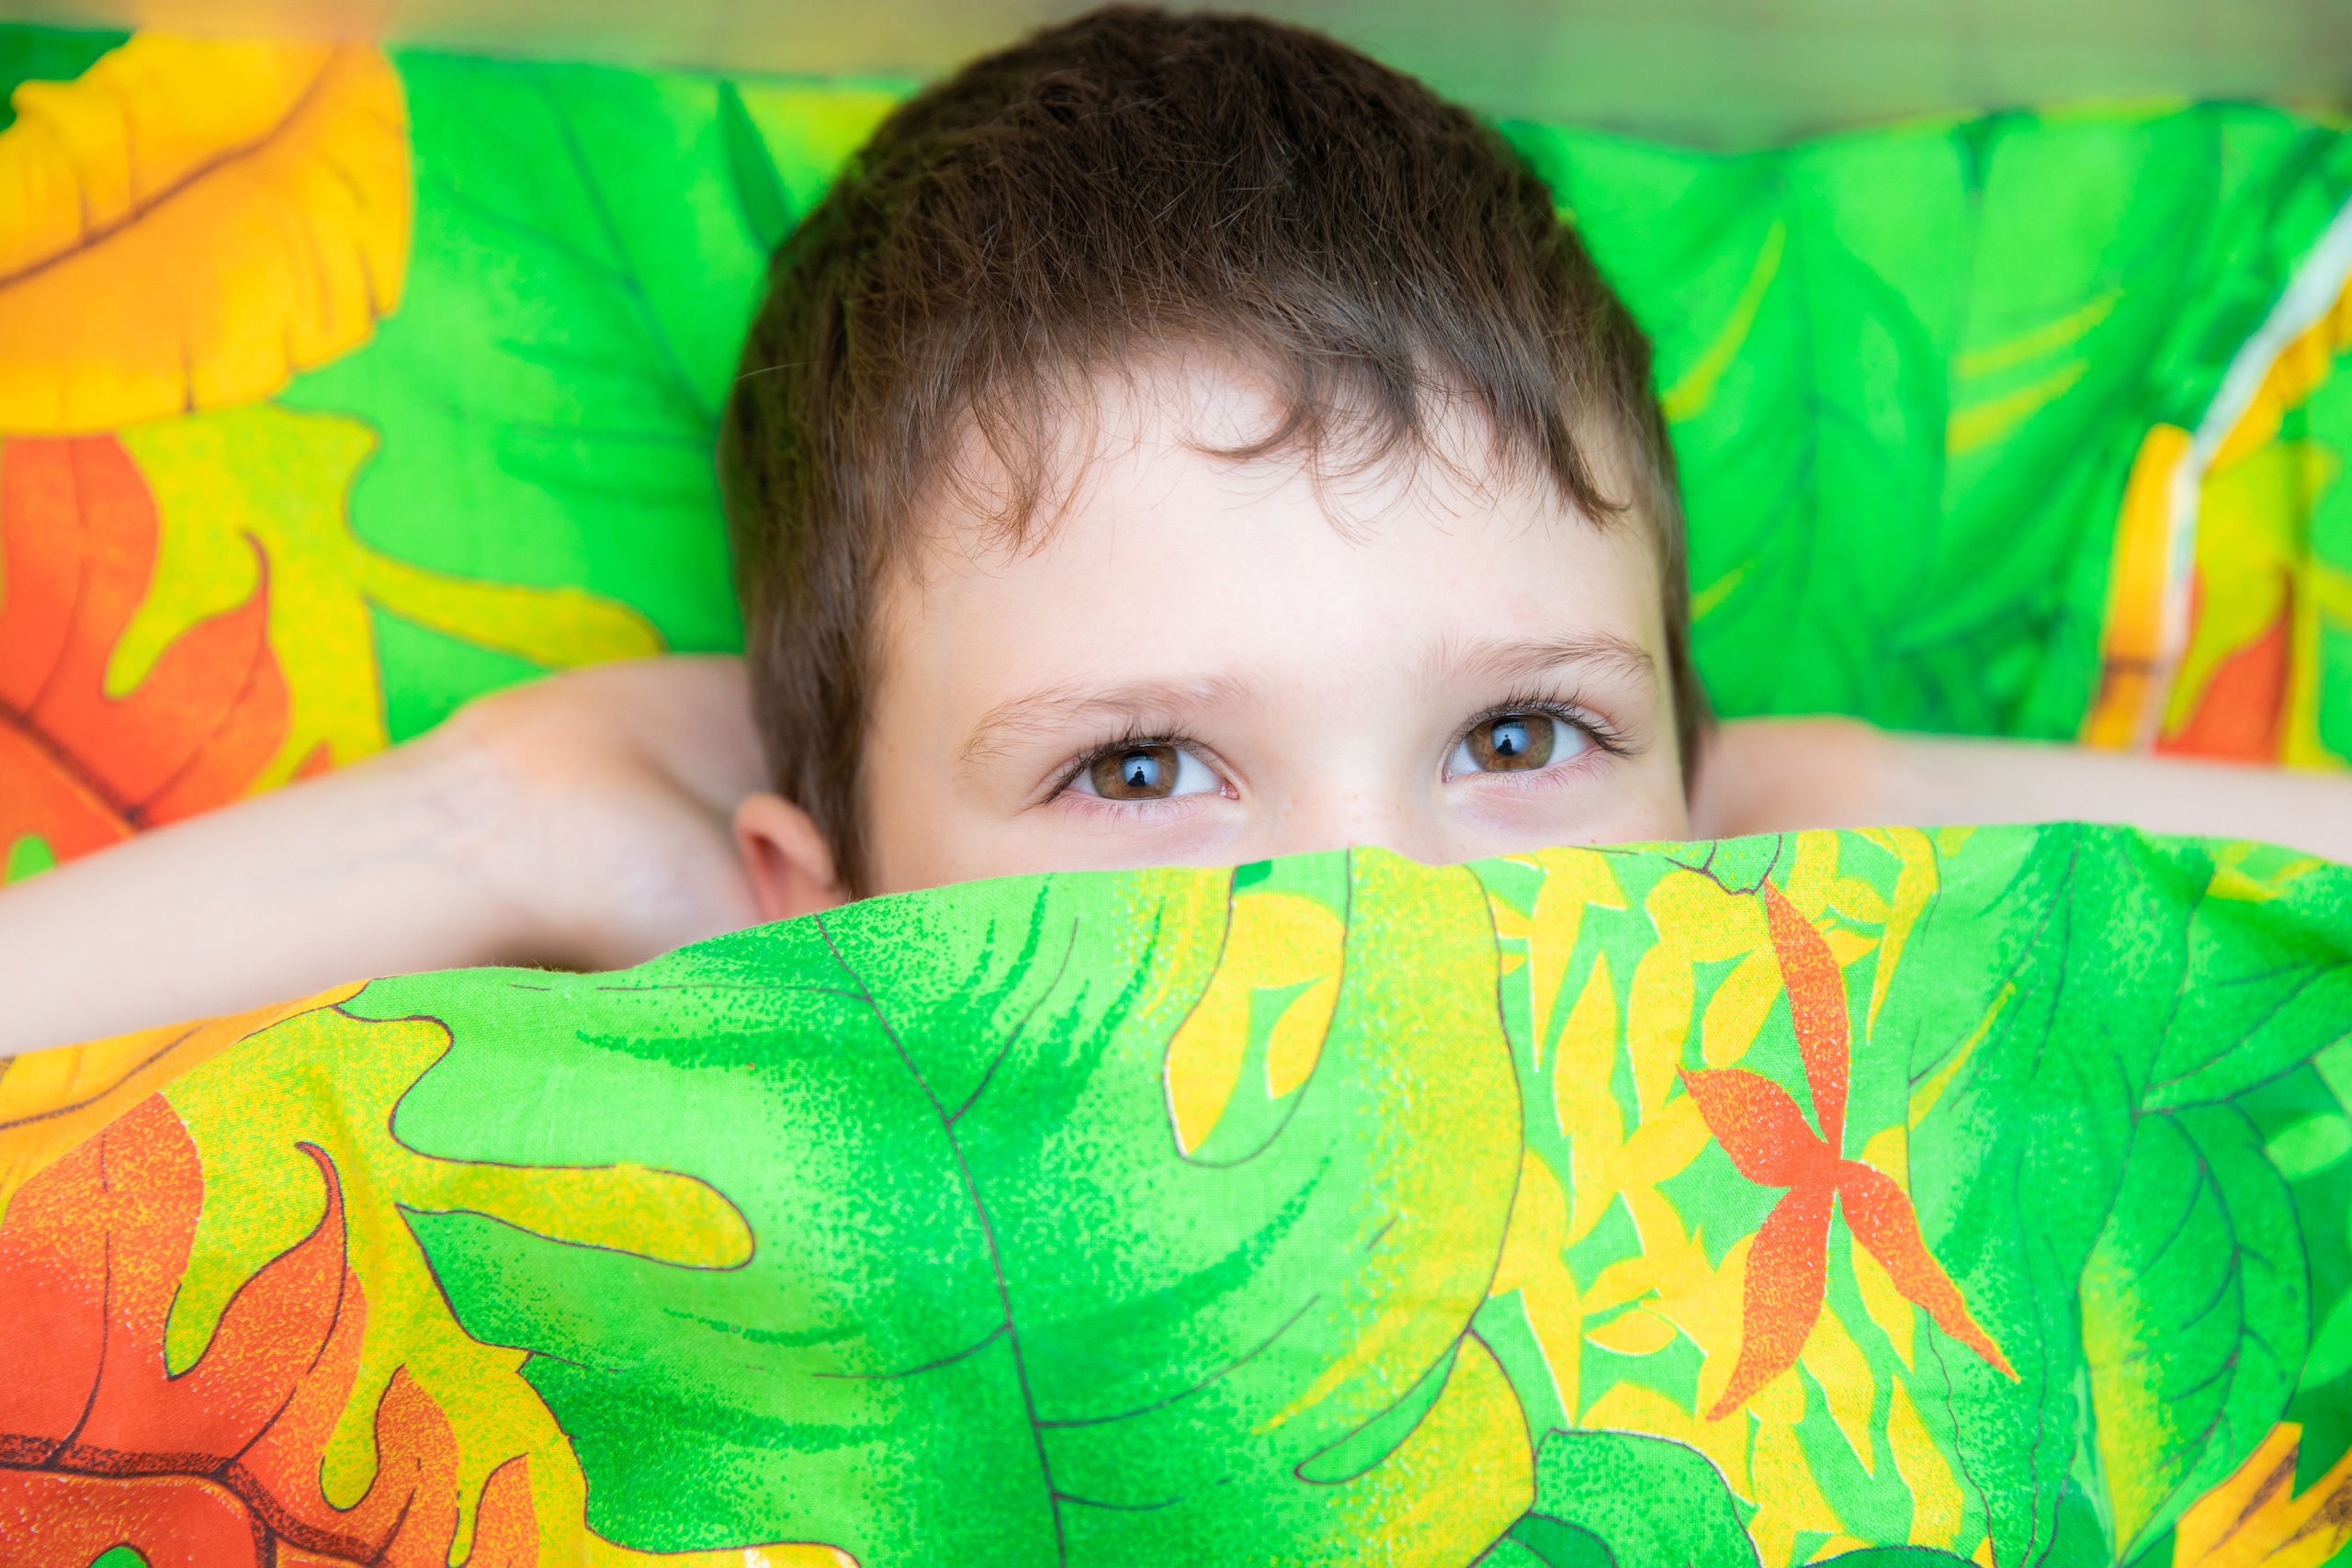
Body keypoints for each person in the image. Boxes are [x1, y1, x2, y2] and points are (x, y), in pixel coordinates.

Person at [3, 6, 2346, 1057]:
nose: (1381, 917)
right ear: (810, 899)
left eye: (1517, 734)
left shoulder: (1748, 926)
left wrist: (1840, 793)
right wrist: (497, 817)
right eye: (1136, 767)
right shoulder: (770, 1042)